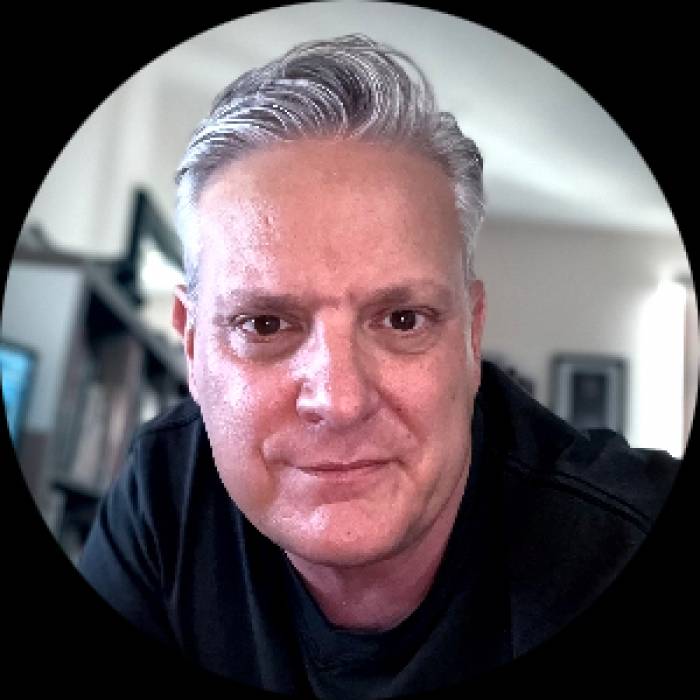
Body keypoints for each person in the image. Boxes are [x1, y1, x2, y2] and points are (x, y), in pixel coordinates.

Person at [78, 35, 679, 697]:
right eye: (265, 324)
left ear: (471, 337)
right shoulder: (165, 492)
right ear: (192, 346)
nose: (339, 400)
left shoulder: (623, 541)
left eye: (403, 320)